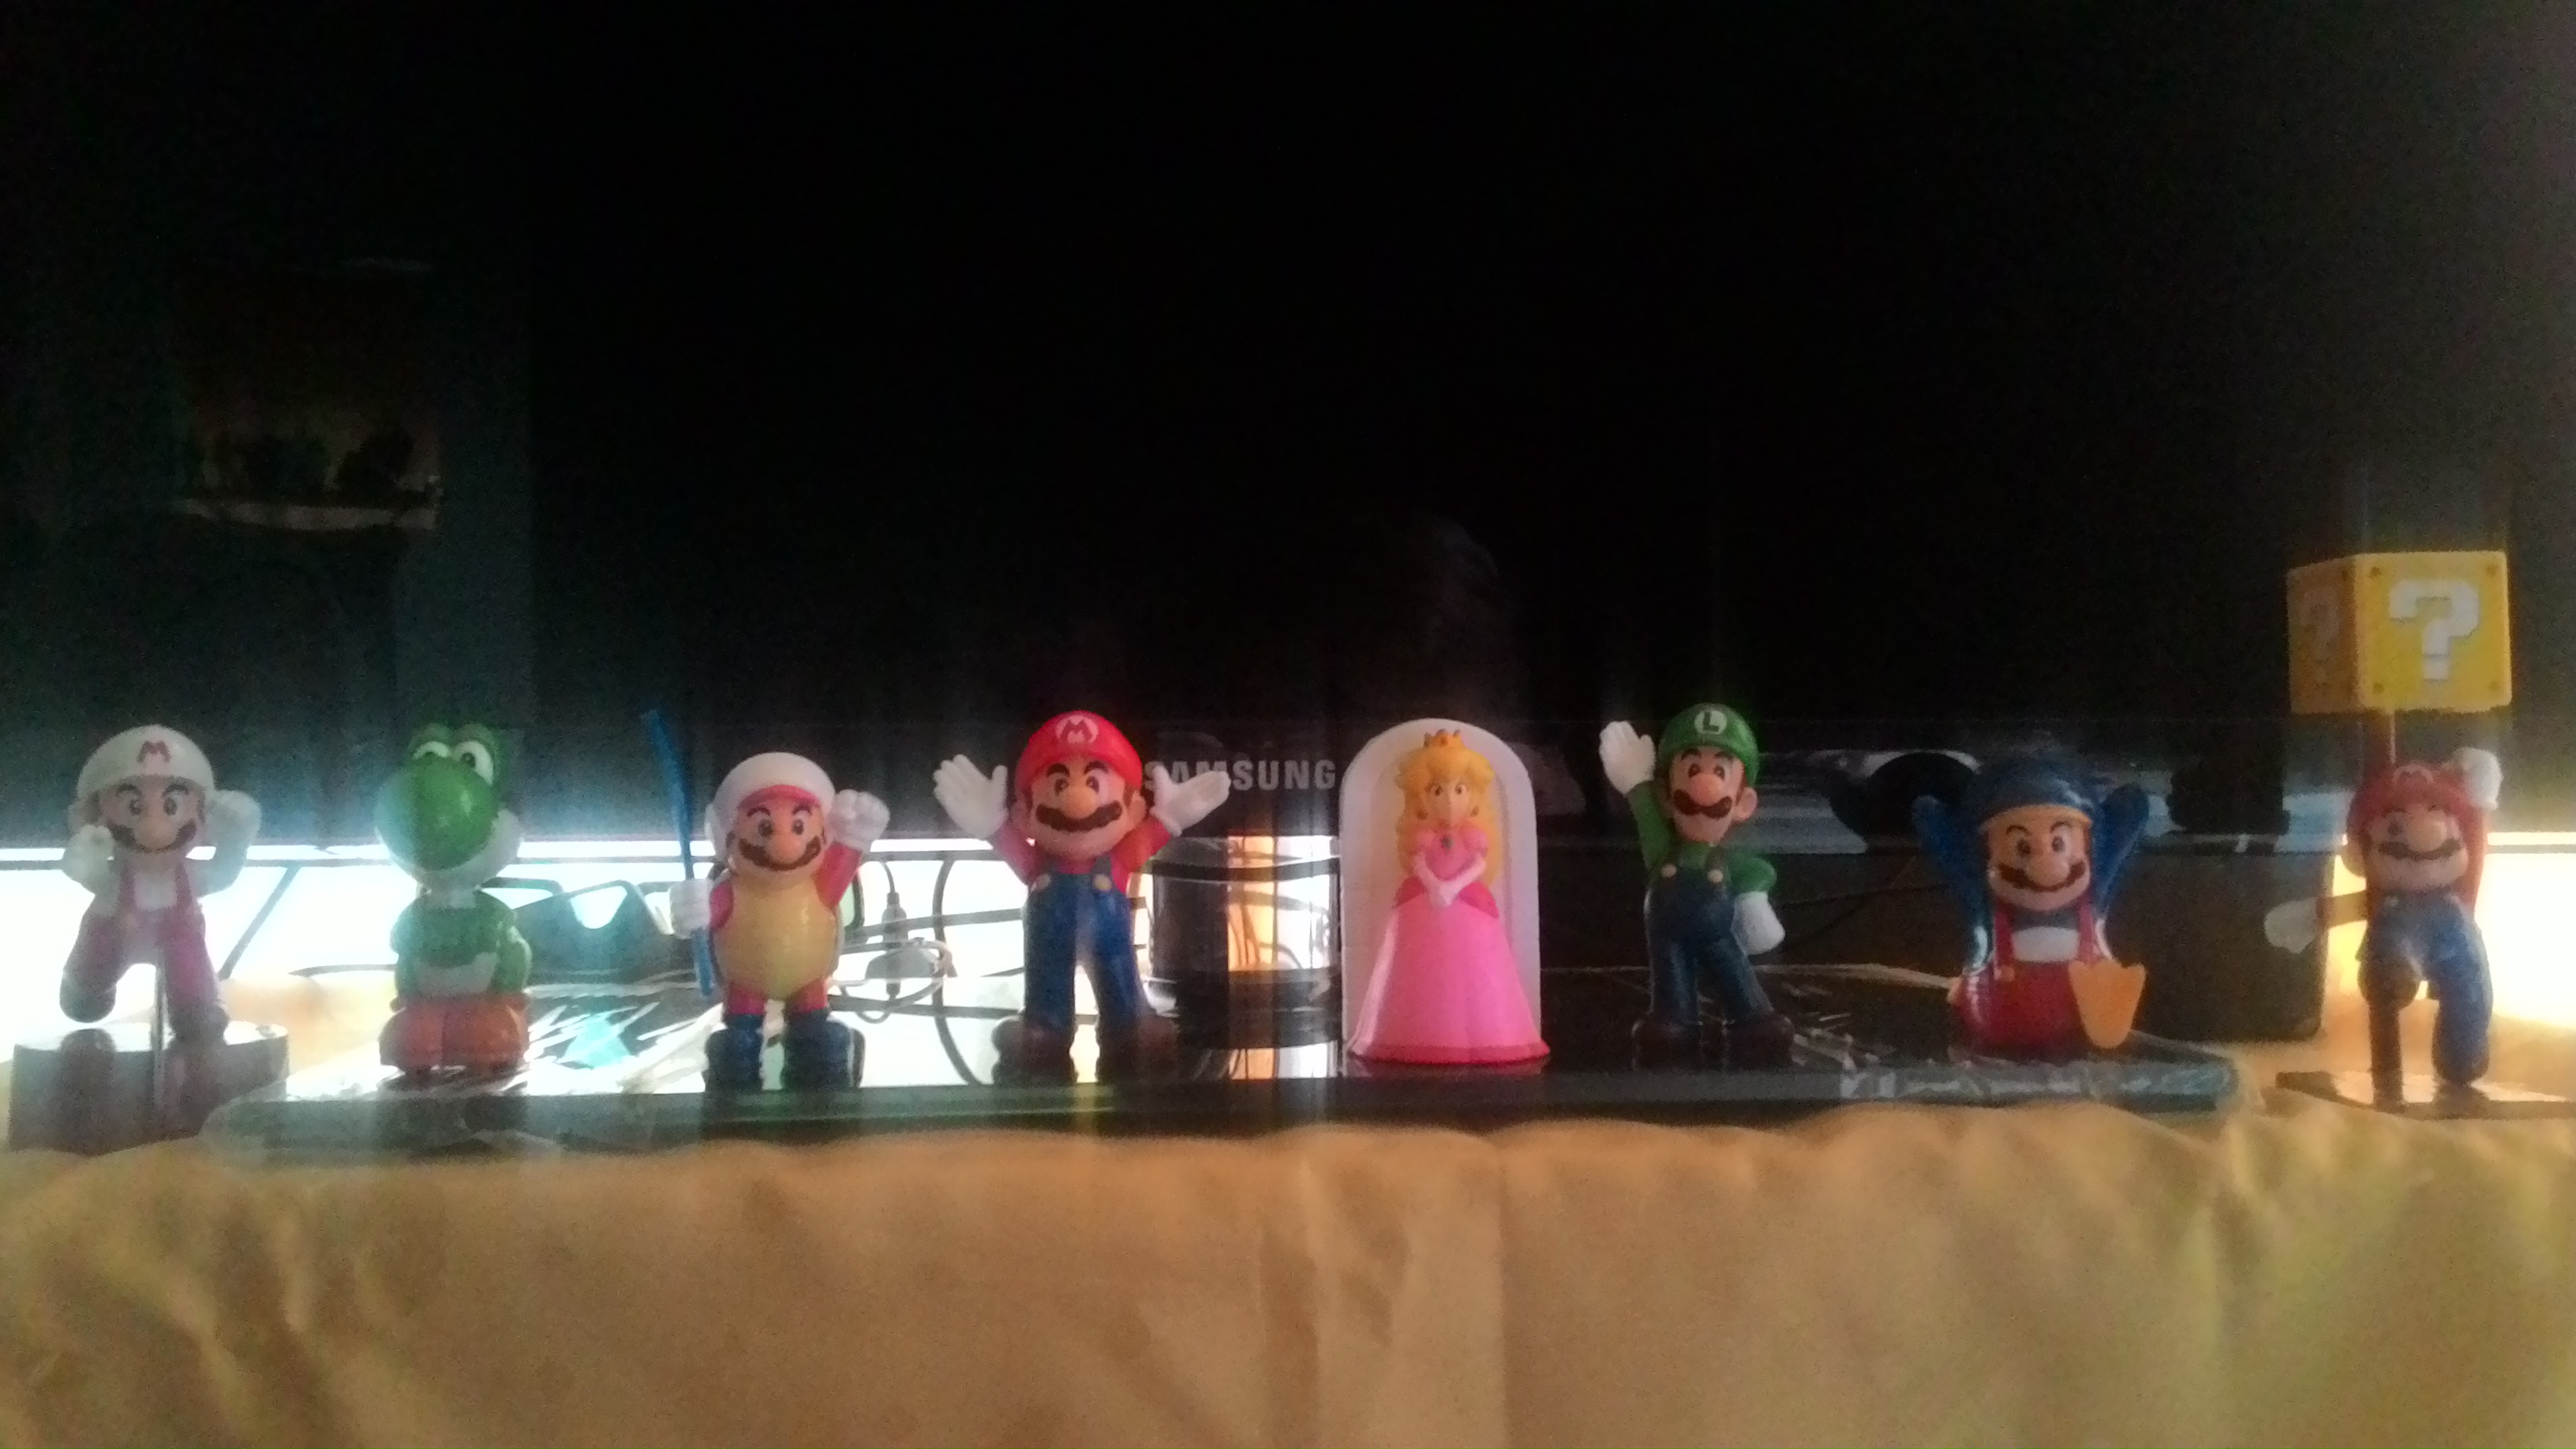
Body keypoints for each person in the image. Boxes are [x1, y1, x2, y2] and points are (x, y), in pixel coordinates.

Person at [933, 711, 1229, 1073]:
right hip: (1048, 944)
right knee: (1046, 983)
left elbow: (1150, 837)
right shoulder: (1037, 863)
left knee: (1120, 979)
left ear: (1134, 810)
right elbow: (1012, 847)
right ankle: (1045, 1028)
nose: (1078, 801)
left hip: (1111, 945)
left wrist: (1171, 818)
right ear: (1024, 815)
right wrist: (992, 826)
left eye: (1093, 783)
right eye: (1059, 785)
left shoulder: (1118, 859)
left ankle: (1128, 1024)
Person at [671, 753, 889, 1089]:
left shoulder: (820, 884)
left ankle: (811, 1057)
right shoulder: (730, 892)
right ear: (726, 833)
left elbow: (849, 851)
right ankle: (739, 1064)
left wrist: (859, 835)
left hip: (809, 985)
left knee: (816, 1036)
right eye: (764, 827)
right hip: (744, 987)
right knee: (737, 1044)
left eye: (799, 826)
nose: (785, 846)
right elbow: (703, 919)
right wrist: (691, 911)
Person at [1913, 758, 2151, 1056]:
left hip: (2081, 1036)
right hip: (1998, 1030)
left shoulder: (2094, 898)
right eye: (2022, 847)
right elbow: (1937, 834)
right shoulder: (1983, 905)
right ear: (1984, 851)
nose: (2046, 868)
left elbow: (2132, 814)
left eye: (2059, 843)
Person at [1599, 703, 1790, 1061]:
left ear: (1744, 803)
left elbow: (1755, 871)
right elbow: (1646, 819)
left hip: (1719, 934)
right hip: (1666, 936)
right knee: (1670, 976)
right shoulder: (1662, 851)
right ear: (1665, 797)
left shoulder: (1728, 861)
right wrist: (1636, 786)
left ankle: (1752, 1017)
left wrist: (1753, 901)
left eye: (1720, 770)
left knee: (1732, 968)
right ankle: (1674, 1020)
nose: (1704, 785)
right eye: (1692, 769)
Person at [1350, 731, 1546, 1064]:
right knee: (1420, 972)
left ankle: (1487, 1035)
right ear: (1424, 795)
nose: (1450, 801)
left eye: (1459, 789)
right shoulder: (1423, 836)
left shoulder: (1473, 835)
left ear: (1471, 793)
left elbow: (1478, 866)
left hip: (1468, 905)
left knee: (1477, 974)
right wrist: (1433, 886)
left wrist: (1452, 888)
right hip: (1423, 905)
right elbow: (1418, 864)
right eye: (1438, 790)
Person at [58, 724, 261, 1043]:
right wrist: (85, 863)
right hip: (111, 937)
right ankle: (85, 990)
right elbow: (92, 876)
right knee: (89, 983)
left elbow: (223, 873)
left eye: (171, 807)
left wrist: (236, 840)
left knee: (193, 994)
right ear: (94, 815)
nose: (154, 830)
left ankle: (195, 1009)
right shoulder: (115, 878)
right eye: (134, 807)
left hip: (181, 939)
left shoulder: (190, 876)